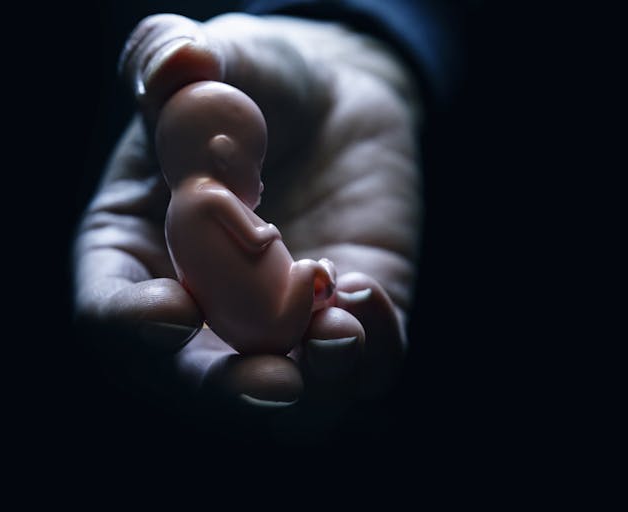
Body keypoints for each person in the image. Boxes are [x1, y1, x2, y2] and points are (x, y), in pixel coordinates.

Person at [73, 1, 459, 440]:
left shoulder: (182, 206)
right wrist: (266, 231)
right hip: (269, 319)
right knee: (309, 274)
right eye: (254, 163)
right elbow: (254, 235)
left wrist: (363, 58)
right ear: (223, 152)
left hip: (255, 320)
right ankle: (312, 288)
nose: (257, 181)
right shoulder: (209, 197)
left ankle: (308, 297)